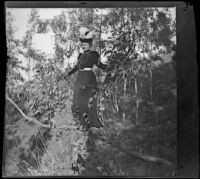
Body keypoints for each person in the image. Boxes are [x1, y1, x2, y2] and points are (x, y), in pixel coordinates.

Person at [65, 28, 108, 130]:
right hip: (80, 77)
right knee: (77, 101)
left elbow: (99, 65)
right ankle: (82, 123)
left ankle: (92, 122)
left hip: (89, 77)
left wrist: (109, 67)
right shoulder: (80, 56)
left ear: (90, 44)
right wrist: (68, 73)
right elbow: (76, 67)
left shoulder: (94, 54)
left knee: (89, 101)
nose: (83, 46)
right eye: (82, 44)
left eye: (85, 44)